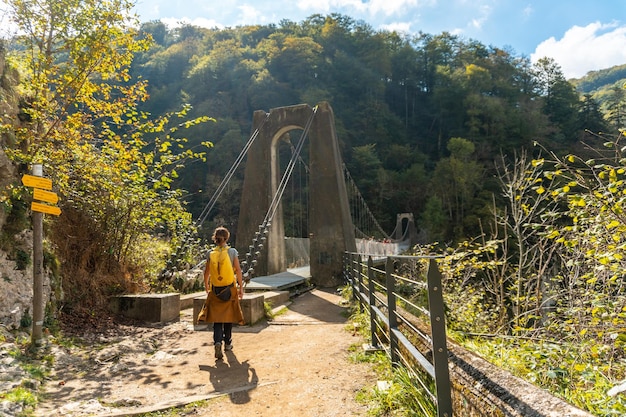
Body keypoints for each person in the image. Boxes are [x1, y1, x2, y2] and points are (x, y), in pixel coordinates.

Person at [203, 226, 244, 360]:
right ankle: (227, 344)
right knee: (228, 316)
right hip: (229, 289)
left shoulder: (210, 253)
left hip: (216, 290)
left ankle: (217, 342)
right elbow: (238, 270)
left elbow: (206, 273)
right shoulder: (232, 252)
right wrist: (240, 288)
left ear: (215, 238)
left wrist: (206, 287)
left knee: (217, 319)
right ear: (227, 238)